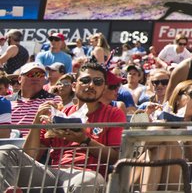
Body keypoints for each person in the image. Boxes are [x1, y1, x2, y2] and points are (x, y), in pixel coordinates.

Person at [0, 60, 125, 193]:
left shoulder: (114, 114)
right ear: (74, 85)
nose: (91, 85)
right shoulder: (60, 113)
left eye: (98, 81)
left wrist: (85, 140)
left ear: (104, 87)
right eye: (86, 80)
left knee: (86, 181)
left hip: (88, 174)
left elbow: (115, 158)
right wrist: (36, 122)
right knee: (7, 151)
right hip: (53, 173)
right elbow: (31, 155)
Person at [131, 79, 192, 192]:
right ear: (178, 98)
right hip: (143, 172)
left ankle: (141, 141)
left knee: (166, 141)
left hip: (181, 176)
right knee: (162, 140)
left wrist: (185, 136)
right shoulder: (157, 118)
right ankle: (146, 139)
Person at [9, 62, 63, 136]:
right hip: (9, 144)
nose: (36, 78)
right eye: (30, 74)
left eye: (40, 75)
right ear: (19, 79)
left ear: (44, 79)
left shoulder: (54, 100)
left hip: (39, 145)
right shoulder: (7, 101)